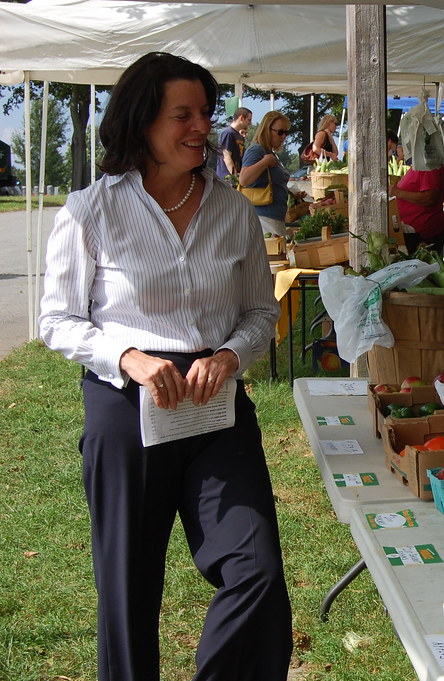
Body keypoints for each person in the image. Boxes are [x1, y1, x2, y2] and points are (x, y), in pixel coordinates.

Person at [37, 52, 292, 680]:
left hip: (216, 407)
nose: (200, 127)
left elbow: (262, 312)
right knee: (128, 591)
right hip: (127, 407)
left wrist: (230, 355)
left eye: (205, 113)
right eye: (183, 114)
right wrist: (128, 357)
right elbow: (56, 321)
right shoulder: (89, 211)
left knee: (255, 568)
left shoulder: (234, 212)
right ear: (142, 121)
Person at [240, 110, 292, 237]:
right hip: (263, 219)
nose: (283, 136)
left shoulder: (268, 151)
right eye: (280, 132)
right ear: (267, 130)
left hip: (272, 217)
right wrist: (265, 161)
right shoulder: (256, 150)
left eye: (286, 132)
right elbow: (244, 179)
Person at [388, 164, 444, 250]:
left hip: (423, 233)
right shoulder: (418, 165)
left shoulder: (429, 166)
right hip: (411, 232)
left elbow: (429, 198)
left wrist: (397, 192)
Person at [214, 106, 251, 181]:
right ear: (241, 118)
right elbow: (227, 157)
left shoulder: (239, 136)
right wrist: (235, 178)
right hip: (227, 179)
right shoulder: (228, 133)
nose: (250, 123)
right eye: (249, 120)